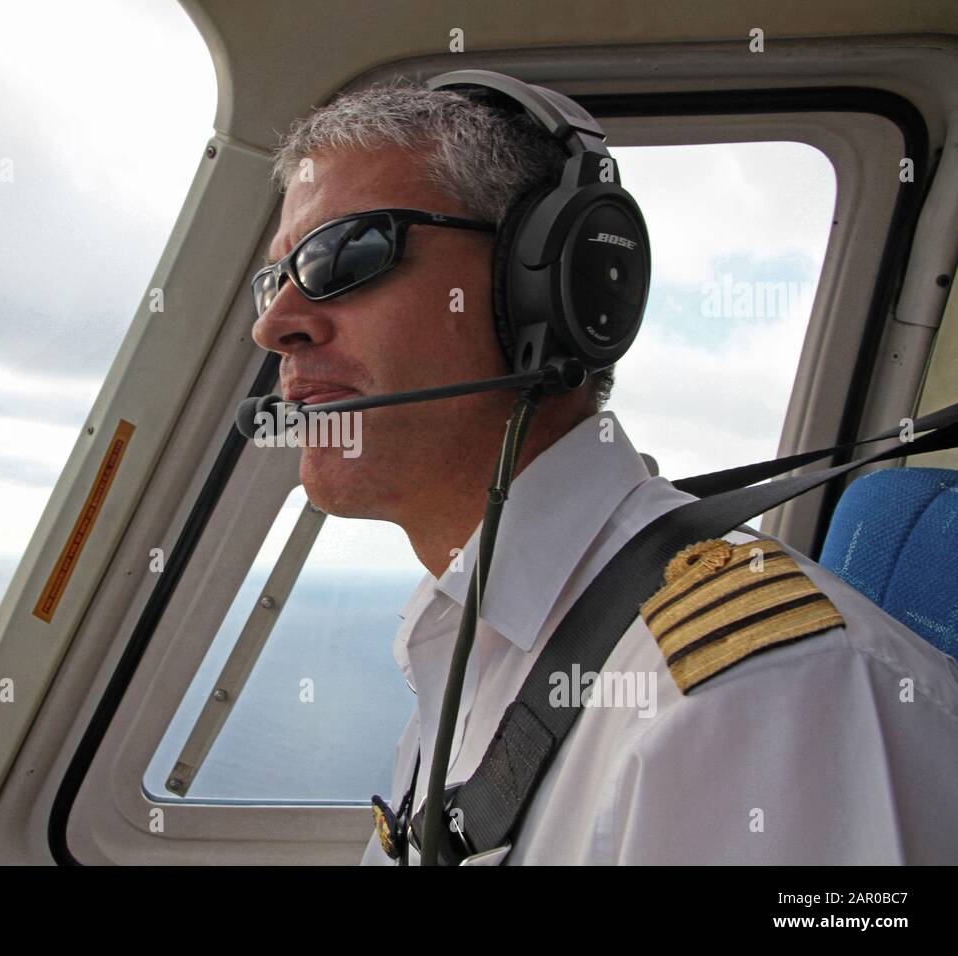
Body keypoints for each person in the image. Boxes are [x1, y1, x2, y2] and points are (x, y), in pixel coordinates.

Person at [248, 80, 958, 864]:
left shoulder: (753, 700)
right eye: (274, 280)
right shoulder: (468, 631)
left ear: (544, 287)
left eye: (343, 255)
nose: (273, 324)